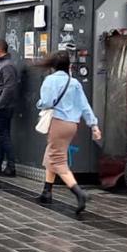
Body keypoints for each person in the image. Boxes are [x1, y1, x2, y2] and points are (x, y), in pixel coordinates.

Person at [34, 51, 101, 214]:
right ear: (69, 66)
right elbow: (84, 106)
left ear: (53, 66)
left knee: (58, 160)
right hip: (72, 125)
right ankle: (46, 192)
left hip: (58, 122)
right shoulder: (75, 83)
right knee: (51, 153)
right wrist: (94, 125)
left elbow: (47, 102)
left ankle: (79, 193)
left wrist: (39, 103)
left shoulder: (50, 80)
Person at [0, 39, 19, 177]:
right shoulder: (0, 64)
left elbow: (9, 88)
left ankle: (11, 166)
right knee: (0, 136)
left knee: (4, 136)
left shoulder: (7, 66)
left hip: (3, 107)